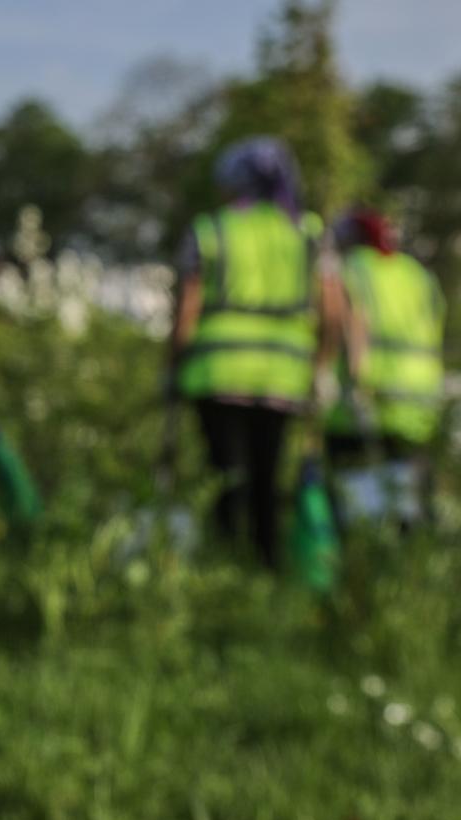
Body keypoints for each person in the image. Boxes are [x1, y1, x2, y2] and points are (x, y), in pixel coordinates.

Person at [170, 137, 342, 568]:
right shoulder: (310, 233)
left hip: (217, 374)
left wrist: (173, 365)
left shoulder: (210, 230)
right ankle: (268, 565)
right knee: (268, 477)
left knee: (226, 476)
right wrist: (323, 369)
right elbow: (332, 311)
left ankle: (227, 567)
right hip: (282, 377)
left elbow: (186, 310)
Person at [324, 208, 445, 525]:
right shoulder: (416, 274)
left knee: (357, 498)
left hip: (369, 399)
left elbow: (354, 326)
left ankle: (366, 562)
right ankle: (414, 560)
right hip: (419, 401)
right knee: (410, 496)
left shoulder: (352, 269)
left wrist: (351, 379)